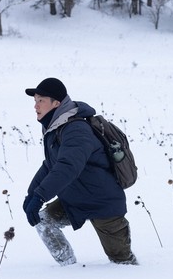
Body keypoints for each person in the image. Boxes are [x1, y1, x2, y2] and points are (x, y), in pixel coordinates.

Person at [22, 77, 138, 266]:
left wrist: (40, 196)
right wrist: (32, 194)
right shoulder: (56, 128)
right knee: (44, 221)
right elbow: (50, 165)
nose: (35, 106)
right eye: (35, 101)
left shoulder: (76, 130)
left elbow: (67, 167)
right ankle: (69, 270)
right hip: (77, 199)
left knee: (123, 263)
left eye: (40, 100)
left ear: (56, 103)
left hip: (102, 202)